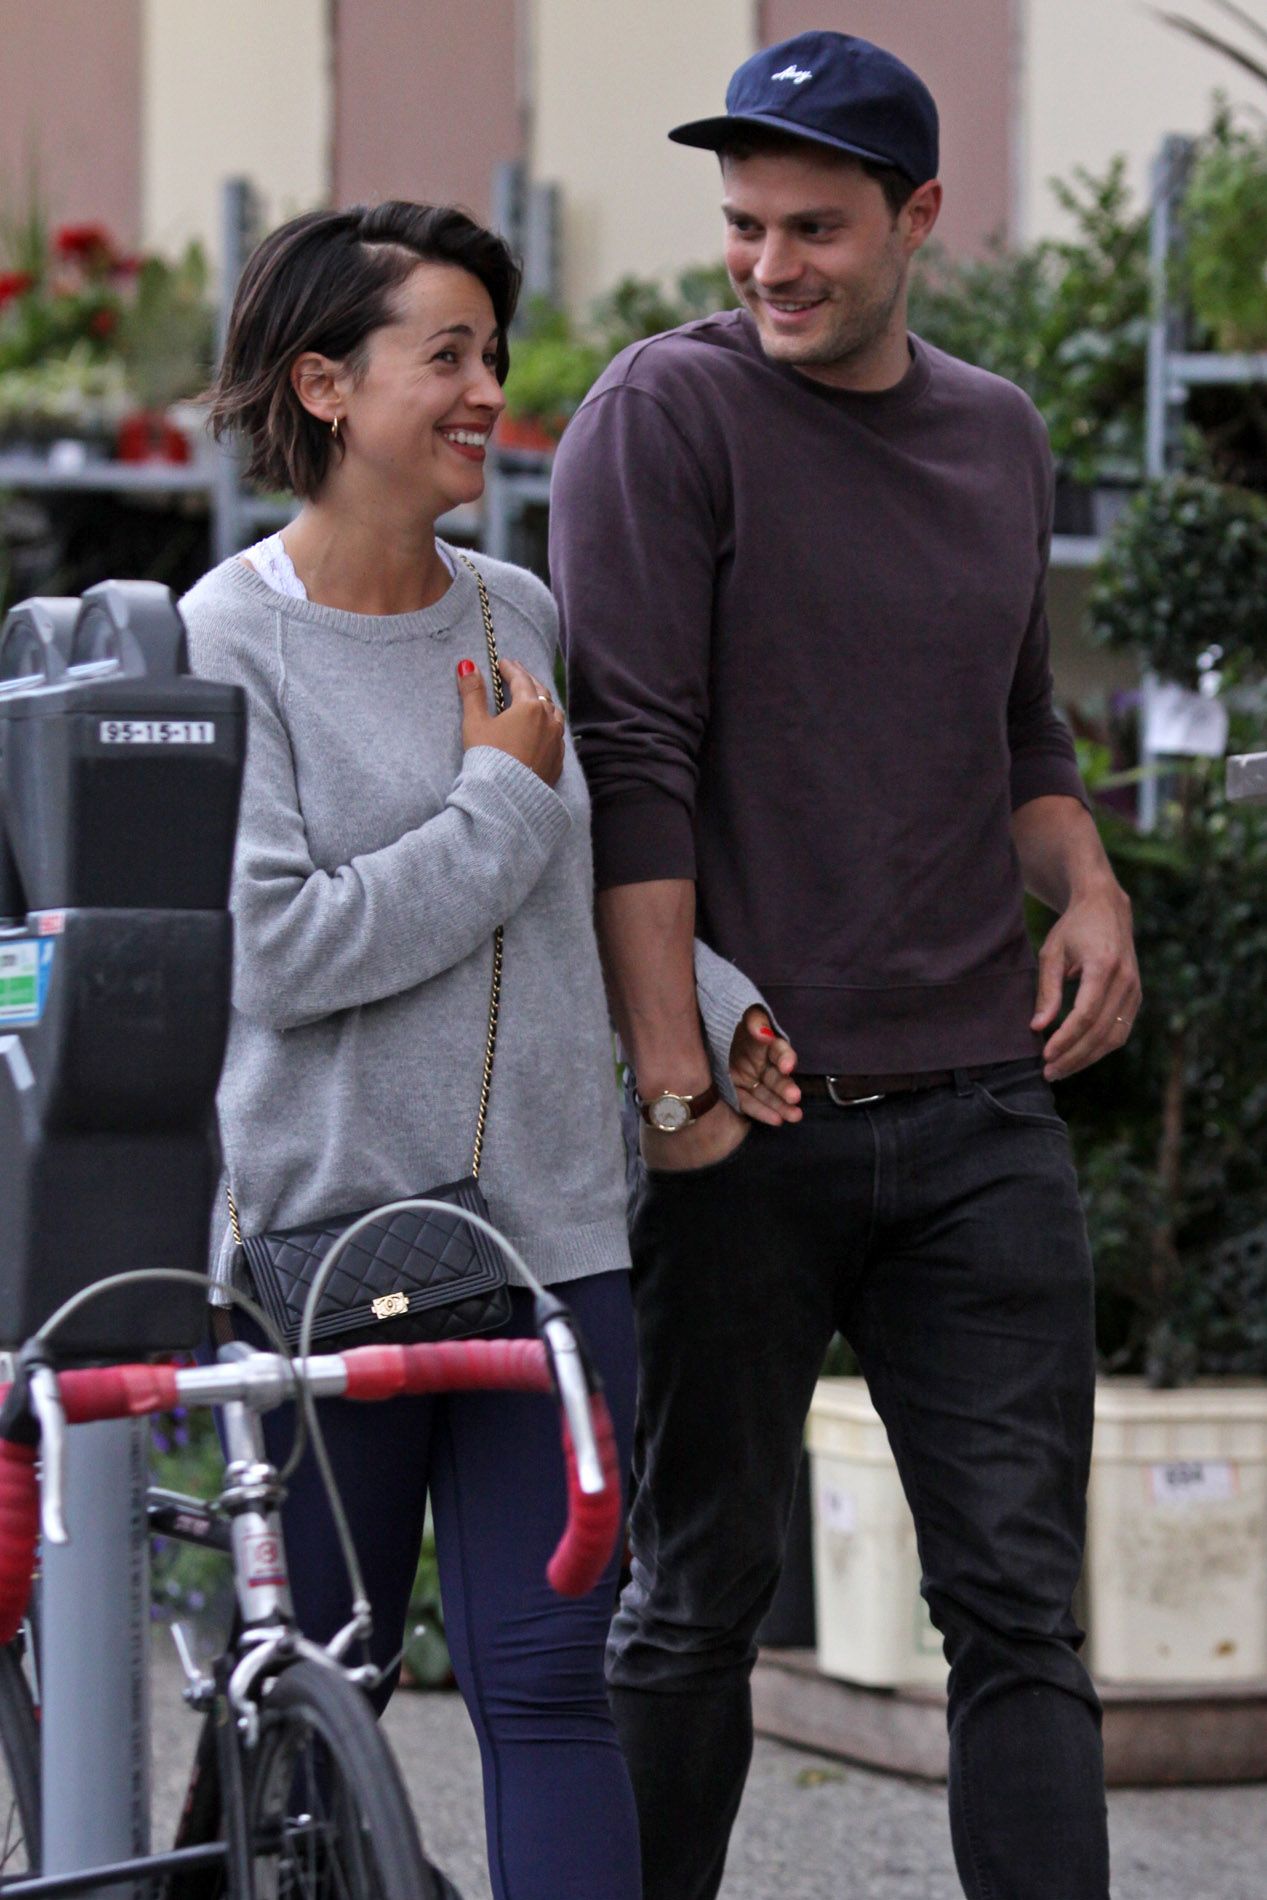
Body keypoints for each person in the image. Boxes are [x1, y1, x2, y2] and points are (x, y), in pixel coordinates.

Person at [550, 31, 1140, 1900]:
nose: (769, 263)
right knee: (694, 1600)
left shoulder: (997, 434)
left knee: (1021, 1616)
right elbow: (631, 759)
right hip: (750, 1111)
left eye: (814, 226)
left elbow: (1020, 728)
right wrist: (676, 1091)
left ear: (920, 218)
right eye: (744, 225)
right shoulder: (667, 415)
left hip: (979, 1116)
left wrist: (1091, 888)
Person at [179, 201, 652, 1900]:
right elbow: (281, 955)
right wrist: (495, 801)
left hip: (551, 1249)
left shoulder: (518, 612)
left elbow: (567, 897)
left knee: (554, 1687)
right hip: (325, 1262)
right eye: (445, 354)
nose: (487, 391)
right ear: (325, 384)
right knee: (319, 1698)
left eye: (491, 354)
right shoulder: (224, 638)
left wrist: (719, 1005)